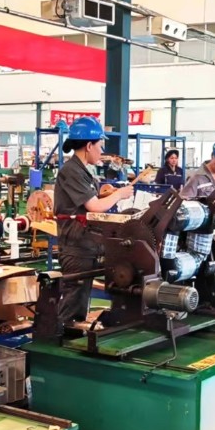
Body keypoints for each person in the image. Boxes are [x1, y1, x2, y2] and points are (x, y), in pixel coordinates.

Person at [53, 116, 134, 331]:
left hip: (87, 241)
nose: (101, 150)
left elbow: (91, 200)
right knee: (75, 293)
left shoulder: (82, 170)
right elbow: (95, 207)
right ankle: (61, 336)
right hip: (76, 243)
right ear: (89, 145)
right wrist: (120, 195)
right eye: (100, 145)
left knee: (81, 293)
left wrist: (109, 193)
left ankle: (74, 329)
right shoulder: (71, 171)